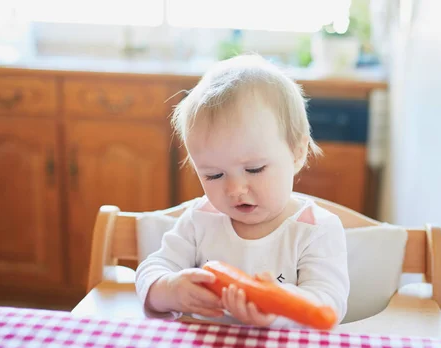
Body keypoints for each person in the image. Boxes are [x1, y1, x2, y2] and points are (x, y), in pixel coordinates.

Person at [135, 54, 349, 329]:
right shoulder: (200, 219)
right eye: (213, 175)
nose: (235, 189)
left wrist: (277, 309)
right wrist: (169, 290)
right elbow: (152, 269)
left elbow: (329, 304)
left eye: (255, 169)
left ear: (297, 153)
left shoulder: (315, 230)